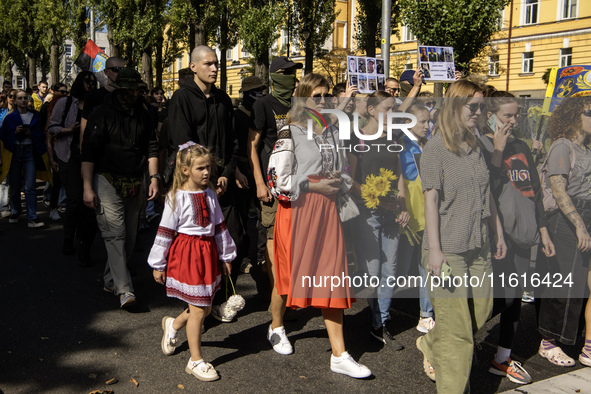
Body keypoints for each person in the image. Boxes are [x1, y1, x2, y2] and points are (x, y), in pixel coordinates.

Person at [267, 73, 371, 378]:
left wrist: (356, 188)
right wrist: (314, 187)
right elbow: (277, 181)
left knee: (333, 277)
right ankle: (276, 326)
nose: (324, 101)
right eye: (317, 96)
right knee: (287, 279)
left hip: (328, 213)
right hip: (298, 212)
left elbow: (341, 170)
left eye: (327, 95)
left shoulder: (331, 130)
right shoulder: (290, 131)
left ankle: (339, 354)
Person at [417, 79, 506, 392]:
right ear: (455, 106)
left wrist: (497, 232)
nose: (479, 113)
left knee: (480, 311)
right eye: (474, 107)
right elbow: (430, 200)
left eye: (481, 107)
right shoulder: (435, 149)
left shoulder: (475, 146)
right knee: (458, 336)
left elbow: (488, 192)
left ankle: (430, 342)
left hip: (478, 245)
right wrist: (436, 250)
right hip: (448, 249)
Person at [477, 91, 555, 384]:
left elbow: (534, 190)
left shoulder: (521, 146)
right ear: (490, 116)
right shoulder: (480, 147)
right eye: (508, 115)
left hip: (525, 236)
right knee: (500, 299)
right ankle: (449, 335)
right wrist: (497, 150)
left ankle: (502, 359)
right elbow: (488, 188)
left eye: (516, 114)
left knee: (514, 300)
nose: (514, 120)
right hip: (497, 237)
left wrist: (543, 230)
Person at [148, 143, 236, 381]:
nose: (206, 172)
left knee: (205, 307)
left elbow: (219, 226)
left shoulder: (209, 194)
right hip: (187, 254)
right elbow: (165, 231)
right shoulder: (175, 197)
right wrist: (158, 263)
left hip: (207, 253)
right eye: (200, 168)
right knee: (198, 310)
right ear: (185, 170)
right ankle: (195, 360)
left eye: (208, 167)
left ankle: (173, 325)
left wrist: (226, 255)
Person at [167, 45, 241, 320]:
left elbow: (233, 142)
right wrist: (204, 180)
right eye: (208, 64)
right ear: (194, 67)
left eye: (216, 64)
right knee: (197, 251)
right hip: (196, 186)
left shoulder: (222, 99)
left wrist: (228, 172)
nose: (214, 68)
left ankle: (215, 303)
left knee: (229, 241)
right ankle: (194, 311)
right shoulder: (181, 98)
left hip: (223, 181)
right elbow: (182, 146)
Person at [82, 68, 159, 308]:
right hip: (106, 180)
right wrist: (87, 187)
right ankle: (126, 291)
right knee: (114, 235)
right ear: (119, 89)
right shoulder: (101, 114)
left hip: (136, 180)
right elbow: (89, 153)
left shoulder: (144, 115)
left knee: (129, 237)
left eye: (138, 89)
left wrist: (154, 177)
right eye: (131, 89)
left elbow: (152, 147)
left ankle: (110, 279)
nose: (136, 93)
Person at [347, 91, 410, 349]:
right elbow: (349, 180)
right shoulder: (357, 139)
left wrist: (403, 205)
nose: (392, 113)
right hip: (367, 213)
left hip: (391, 212)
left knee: (390, 270)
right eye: (387, 108)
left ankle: (379, 323)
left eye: (394, 109)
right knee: (373, 271)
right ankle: (359, 311)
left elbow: (400, 176)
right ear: (371, 110)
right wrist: (374, 196)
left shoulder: (395, 138)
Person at [247, 56, 302, 343]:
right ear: (275, 75)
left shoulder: (300, 104)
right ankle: (276, 298)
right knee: (272, 244)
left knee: (292, 246)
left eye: (296, 74)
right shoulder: (263, 105)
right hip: (271, 186)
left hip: (298, 185)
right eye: (288, 73)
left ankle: (287, 296)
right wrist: (258, 181)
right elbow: (253, 145)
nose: (293, 78)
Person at [537, 96, 591, 368]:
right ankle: (549, 342)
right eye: (590, 112)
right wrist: (579, 224)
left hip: (587, 214)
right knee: (564, 282)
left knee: (581, 282)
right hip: (567, 219)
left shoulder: (587, 148)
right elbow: (558, 189)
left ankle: (580, 341)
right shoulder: (563, 146)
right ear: (575, 115)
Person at [48, 71, 97, 266]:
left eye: (93, 82)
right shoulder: (65, 103)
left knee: (89, 204)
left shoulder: (96, 105)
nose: (91, 85)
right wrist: (70, 130)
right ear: (79, 82)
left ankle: (83, 240)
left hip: (90, 157)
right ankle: (68, 239)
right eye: (87, 81)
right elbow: (52, 128)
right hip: (69, 156)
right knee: (75, 199)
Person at [397, 104, 435, 334]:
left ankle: (426, 312)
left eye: (428, 121)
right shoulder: (399, 145)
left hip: (427, 210)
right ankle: (379, 307)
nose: (427, 126)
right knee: (400, 266)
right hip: (407, 211)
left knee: (426, 264)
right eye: (422, 121)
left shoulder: (431, 145)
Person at [0, 90, 51, 228]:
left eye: (25, 98)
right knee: (15, 185)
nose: (23, 100)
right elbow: (4, 137)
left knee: (30, 186)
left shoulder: (34, 116)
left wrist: (31, 134)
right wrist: (14, 132)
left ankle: (32, 217)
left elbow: (39, 135)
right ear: (15, 101)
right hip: (14, 154)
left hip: (29, 154)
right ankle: (15, 211)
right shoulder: (10, 118)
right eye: (20, 98)